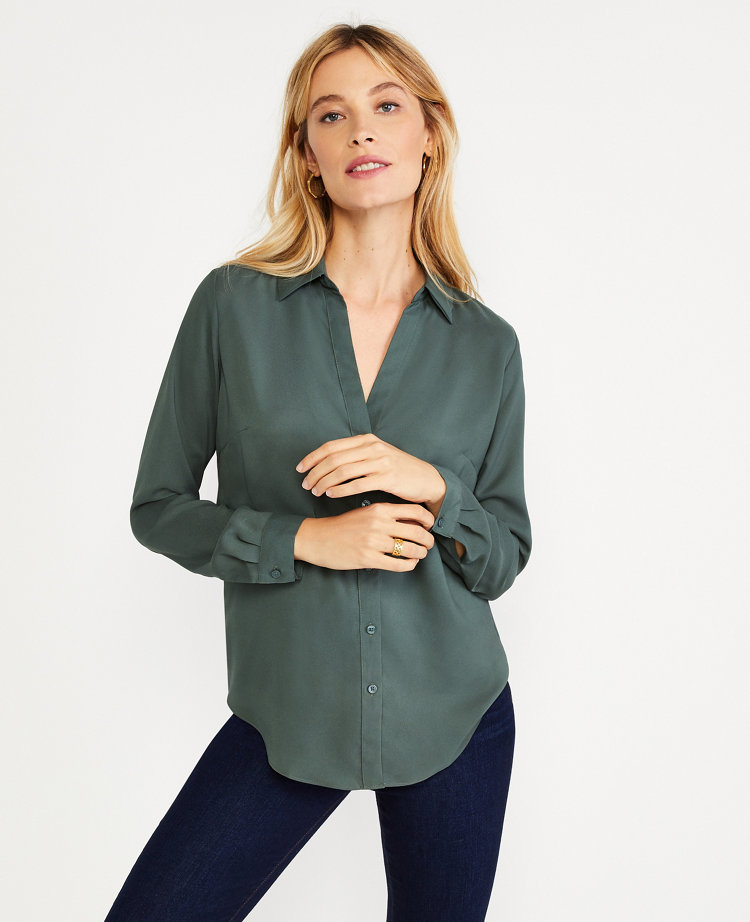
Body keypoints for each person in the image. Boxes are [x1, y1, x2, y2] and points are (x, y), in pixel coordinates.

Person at [104, 21, 532, 922]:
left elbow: (503, 557)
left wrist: (435, 487)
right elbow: (158, 506)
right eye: (330, 116)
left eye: (387, 106)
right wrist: (306, 539)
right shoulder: (233, 306)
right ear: (307, 155)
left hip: (455, 715)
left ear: (429, 135)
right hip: (287, 716)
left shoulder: (486, 345)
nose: (361, 130)